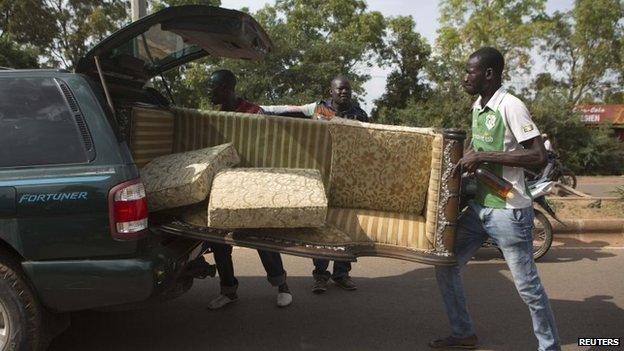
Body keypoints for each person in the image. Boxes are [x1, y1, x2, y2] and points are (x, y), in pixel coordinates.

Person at [430, 48, 560, 350]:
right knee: (445, 264)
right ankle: (464, 333)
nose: (465, 77)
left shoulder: (511, 106)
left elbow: (538, 156)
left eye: (470, 71)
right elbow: (478, 152)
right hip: (480, 209)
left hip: (510, 213)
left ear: (489, 74)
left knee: (528, 288)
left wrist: (484, 156)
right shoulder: (478, 106)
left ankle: (549, 346)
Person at [262, 76, 367, 294]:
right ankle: (320, 276)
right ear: (331, 92)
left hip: (347, 178)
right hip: (320, 175)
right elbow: (286, 110)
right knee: (322, 225)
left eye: (347, 89)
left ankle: (342, 273)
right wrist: (260, 109)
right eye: (340, 89)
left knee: (345, 225)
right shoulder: (317, 109)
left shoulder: (360, 115)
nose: (344, 93)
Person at [205, 69, 292, 309]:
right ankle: (229, 291)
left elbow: (269, 147)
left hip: (252, 186)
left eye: (211, 87)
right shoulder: (218, 116)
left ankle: (282, 286)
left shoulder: (255, 112)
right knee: (219, 242)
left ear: (225, 88)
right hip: (225, 187)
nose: (208, 92)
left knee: (261, 239)